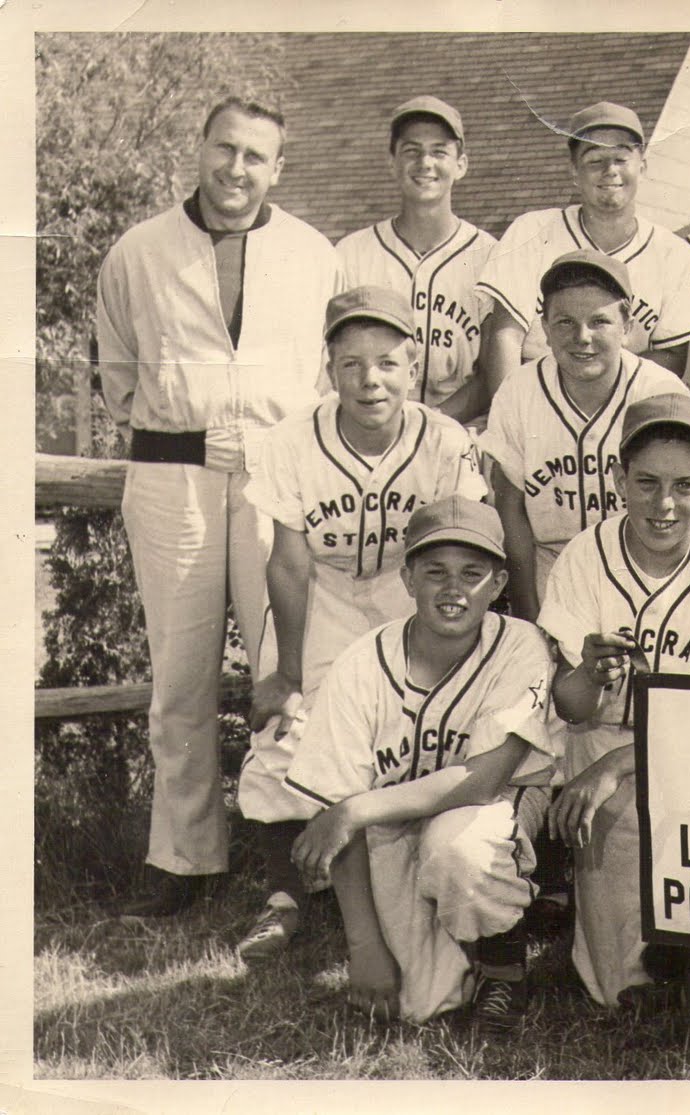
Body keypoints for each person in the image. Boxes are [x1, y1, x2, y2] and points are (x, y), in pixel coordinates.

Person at [94, 96, 340, 917]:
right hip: (174, 477)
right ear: (199, 148)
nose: (238, 169)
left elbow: (325, 378)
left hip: (277, 476)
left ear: (280, 167)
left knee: (284, 667)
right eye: (225, 149)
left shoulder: (312, 254)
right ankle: (184, 856)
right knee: (181, 676)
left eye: (256, 157)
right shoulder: (138, 251)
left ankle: (288, 859)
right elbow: (120, 376)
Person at [234, 286, 487, 960]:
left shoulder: (443, 438)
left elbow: (459, 553)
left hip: (411, 592)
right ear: (329, 367)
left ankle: (406, 882)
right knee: (286, 734)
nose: (369, 379)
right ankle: (284, 897)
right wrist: (287, 670)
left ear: (413, 367)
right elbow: (288, 564)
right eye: (351, 363)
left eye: (386, 362)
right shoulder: (292, 439)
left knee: (407, 733)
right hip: (322, 592)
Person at [535, 395, 690, 1041]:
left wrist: (615, 767)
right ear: (618, 479)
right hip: (598, 737)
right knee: (617, 988)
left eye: (684, 486)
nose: (663, 504)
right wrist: (586, 672)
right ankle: (645, 950)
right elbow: (568, 706)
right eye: (646, 482)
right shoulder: (585, 556)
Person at [285, 496, 558, 1030]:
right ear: (407, 579)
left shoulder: (520, 645)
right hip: (391, 825)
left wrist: (353, 811)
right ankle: (460, 957)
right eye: (435, 573)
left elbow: (484, 780)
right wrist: (365, 949)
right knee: (421, 1004)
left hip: (498, 807)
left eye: (472, 574)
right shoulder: (359, 666)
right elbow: (338, 814)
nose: (454, 590)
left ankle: (503, 968)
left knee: (458, 848)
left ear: (499, 584)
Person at [478, 250, 687, 622]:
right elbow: (510, 505)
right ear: (542, 326)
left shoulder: (658, 391)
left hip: (642, 567)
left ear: (627, 324)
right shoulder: (519, 390)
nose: (582, 338)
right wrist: (529, 614)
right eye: (564, 322)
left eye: (599, 321)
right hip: (549, 566)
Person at [475, 101, 690, 386]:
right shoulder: (531, 230)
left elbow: (671, 356)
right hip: (534, 391)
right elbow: (505, 336)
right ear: (574, 172)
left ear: (642, 167)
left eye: (621, 158)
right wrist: (512, 412)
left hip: (625, 398)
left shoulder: (674, 253)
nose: (610, 170)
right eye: (595, 160)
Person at [336, 96, 497, 425]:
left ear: (461, 164)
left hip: (460, 431)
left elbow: (491, 374)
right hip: (369, 429)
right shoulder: (351, 253)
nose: (425, 163)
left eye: (439, 151)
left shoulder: (490, 255)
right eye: (412, 151)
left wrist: (428, 426)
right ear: (392, 162)